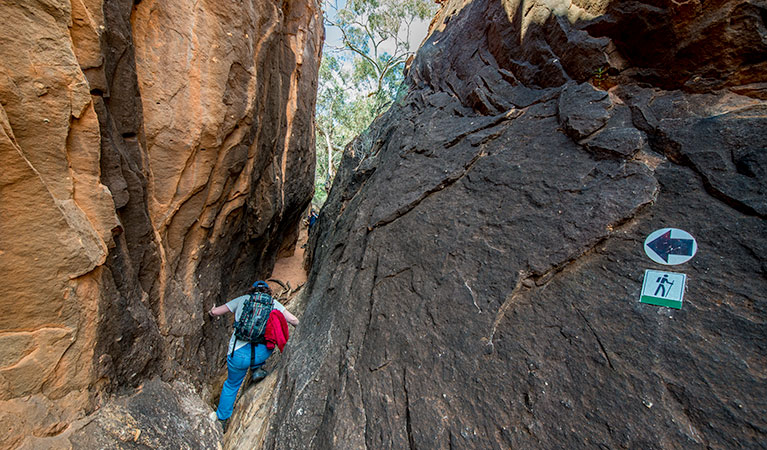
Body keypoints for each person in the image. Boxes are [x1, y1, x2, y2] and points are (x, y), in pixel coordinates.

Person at [208, 281, 299, 432]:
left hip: (238, 354)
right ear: (267, 292)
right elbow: (293, 320)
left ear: (252, 290)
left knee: (231, 385)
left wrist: (211, 311)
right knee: (264, 344)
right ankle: (256, 369)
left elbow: (217, 312)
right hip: (261, 353)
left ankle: (222, 419)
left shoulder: (242, 299)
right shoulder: (273, 303)